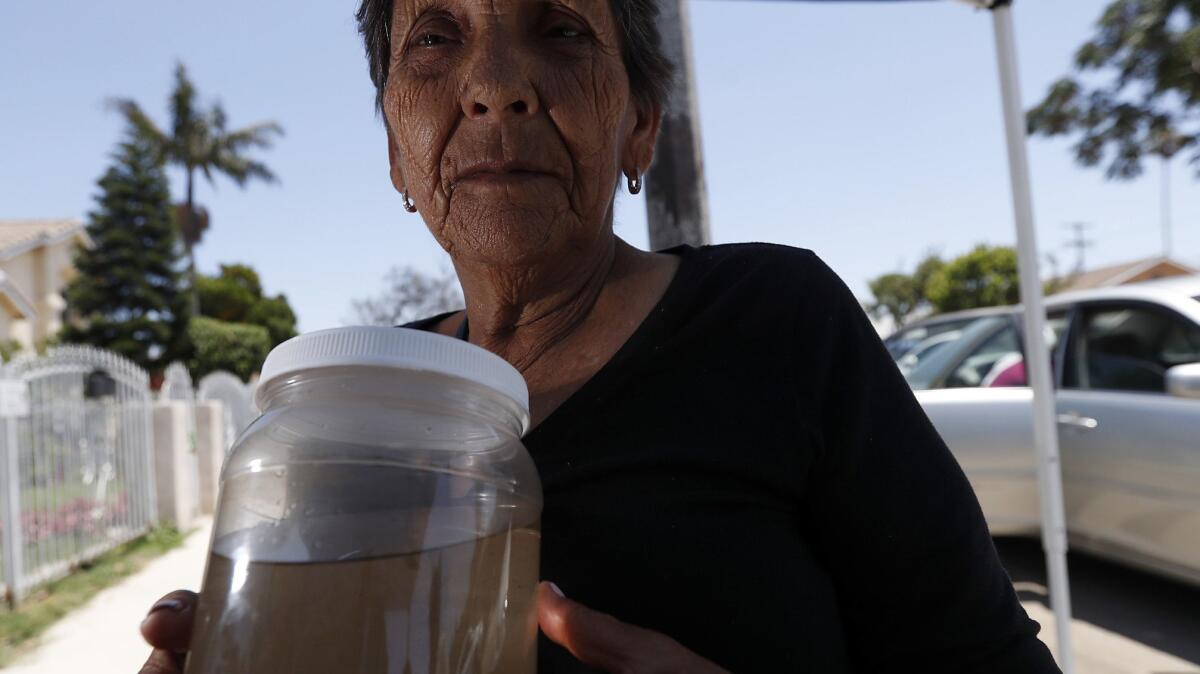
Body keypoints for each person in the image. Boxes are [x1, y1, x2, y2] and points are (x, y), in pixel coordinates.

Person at [139, 1, 1063, 672]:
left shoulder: (777, 319)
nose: (496, 88)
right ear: (395, 151)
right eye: (435, 37)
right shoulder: (364, 403)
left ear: (640, 128)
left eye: (563, 29)